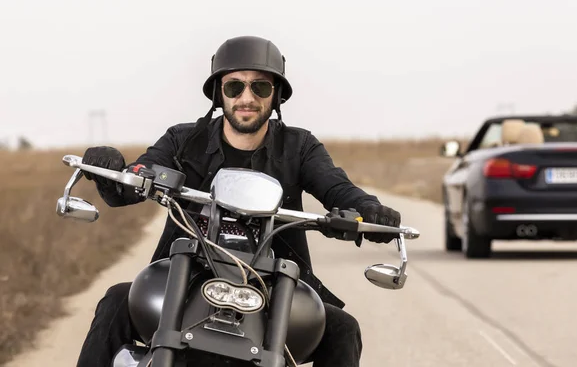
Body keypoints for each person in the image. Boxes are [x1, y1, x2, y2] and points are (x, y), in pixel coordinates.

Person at [76, 35, 401, 367]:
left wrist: (369, 210)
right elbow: (144, 171)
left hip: (275, 285)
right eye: (235, 87)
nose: (247, 98)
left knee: (342, 329)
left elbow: (338, 188)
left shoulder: (299, 147)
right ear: (220, 93)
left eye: (260, 87)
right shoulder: (184, 140)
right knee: (117, 299)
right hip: (184, 277)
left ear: (275, 96)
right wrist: (112, 170)